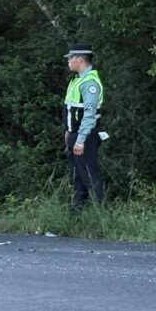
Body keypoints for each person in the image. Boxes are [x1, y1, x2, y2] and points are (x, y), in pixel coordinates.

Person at [63, 43, 105, 210]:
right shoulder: (77, 80)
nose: (69, 61)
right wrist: (69, 132)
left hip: (85, 136)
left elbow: (89, 115)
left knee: (89, 175)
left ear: (80, 59)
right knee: (77, 177)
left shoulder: (89, 83)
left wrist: (80, 140)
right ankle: (77, 213)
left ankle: (99, 214)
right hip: (75, 134)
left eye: (71, 58)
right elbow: (71, 111)